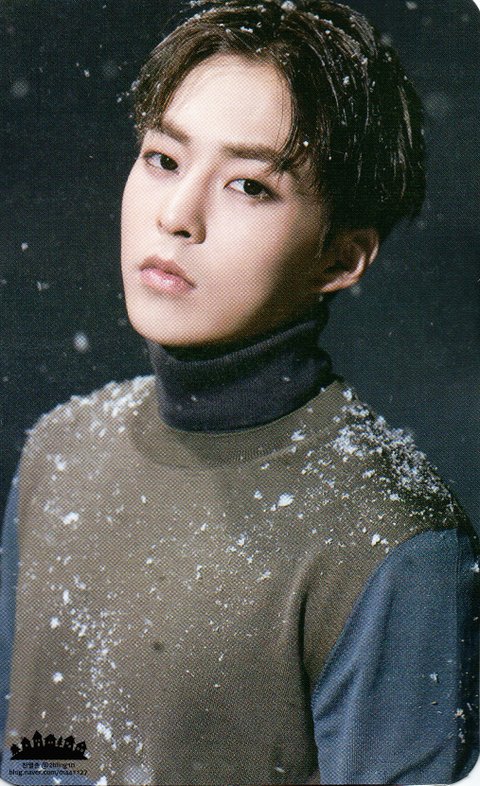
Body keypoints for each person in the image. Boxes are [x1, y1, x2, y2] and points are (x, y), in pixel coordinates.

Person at [0, 0, 478, 784]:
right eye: (164, 159)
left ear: (340, 258)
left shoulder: (388, 542)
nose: (177, 215)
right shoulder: (61, 452)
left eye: (250, 186)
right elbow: (33, 757)